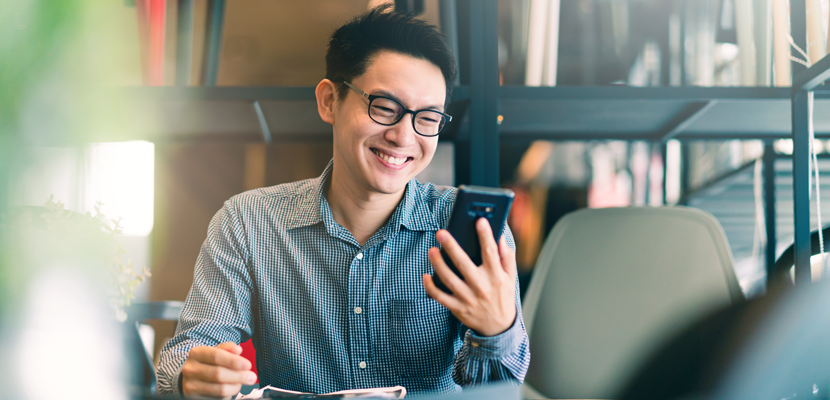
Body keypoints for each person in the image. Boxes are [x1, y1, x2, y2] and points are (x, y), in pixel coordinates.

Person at [157, 6, 529, 397]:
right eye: (385, 107)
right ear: (330, 101)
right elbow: (187, 353)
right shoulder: (247, 222)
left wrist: (497, 330)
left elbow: (500, 391)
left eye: (427, 118)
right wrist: (192, 375)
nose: (404, 137)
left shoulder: (470, 231)